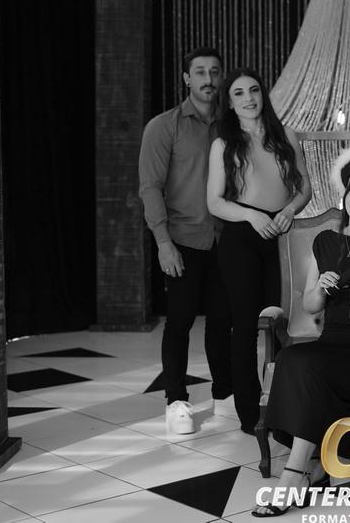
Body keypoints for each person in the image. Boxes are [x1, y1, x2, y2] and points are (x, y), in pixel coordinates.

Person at [252, 145, 350, 517]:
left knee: (312, 368)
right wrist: (320, 288)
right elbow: (311, 306)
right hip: (333, 343)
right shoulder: (325, 242)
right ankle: (318, 468)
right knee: (293, 358)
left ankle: (294, 474)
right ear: (345, 194)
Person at [207, 68, 311, 435]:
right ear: (229, 103)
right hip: (241, 238)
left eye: (253, 90)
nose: (249, 98)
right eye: (239, 93)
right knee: (246, 328)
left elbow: (305, 188)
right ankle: (250, 415)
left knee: (281, 325)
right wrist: (251, 215)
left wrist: (289, 210)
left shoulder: (286, 136)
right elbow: (214, 202)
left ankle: (284, 406)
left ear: (262, 94)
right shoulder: (223, 144)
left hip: (281, 236)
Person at [138, 47, 232, 435]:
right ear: (187, 79)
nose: (208, 79)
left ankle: (225, 395)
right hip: (183, 241)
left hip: (227, 240)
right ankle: (176, 401)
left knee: (222, 323)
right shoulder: (164, 126)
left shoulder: (233, 125)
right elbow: (150, 187)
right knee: (179, 323)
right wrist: (163, 243)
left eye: (215, 71)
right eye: (200, 72)